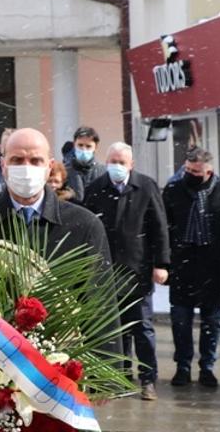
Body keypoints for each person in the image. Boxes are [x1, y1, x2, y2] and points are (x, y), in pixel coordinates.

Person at [83, 142, 170, 400]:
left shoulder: (146, 186)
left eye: (122, 162)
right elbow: (87, 226)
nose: (117, 166)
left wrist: (161, 263)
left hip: (138, 269)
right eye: (113, 161)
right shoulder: (96, 189)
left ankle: (148, 379)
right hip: (105, 270)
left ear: (131, 165)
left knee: (142, 327)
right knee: (114, 328)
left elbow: (159, 226)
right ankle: (118, 376)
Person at [0, 128, 112, 274]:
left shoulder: (85, 226)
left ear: (49, 167)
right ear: (3, 165)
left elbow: (99, 293)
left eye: (35, 161)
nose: (26, 168)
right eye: (17, 160)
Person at [162, 147, 220, 389]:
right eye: (188, 169)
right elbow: (164, 228)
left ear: (209, 171)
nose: (191, 175)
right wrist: (165, 262)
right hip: (183, 263)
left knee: (212, 322)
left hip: (213, 265)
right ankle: (182, 366)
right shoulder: (174, 191)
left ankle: (207, 367)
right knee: (181, 320)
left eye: (196, 172)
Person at [64, 126, 107, 202]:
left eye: (88, 146)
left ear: (95, 148)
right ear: (74, 145)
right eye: (80, 145)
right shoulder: (64, 172)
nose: (84, 149)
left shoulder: (104, 172)